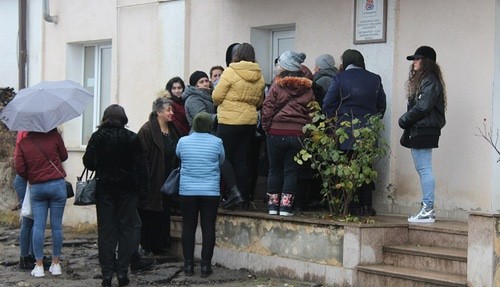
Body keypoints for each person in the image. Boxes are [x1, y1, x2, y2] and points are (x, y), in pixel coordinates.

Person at [83, 104, 147, 287]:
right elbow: (141, 167)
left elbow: (89, 163)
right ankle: (122, 273)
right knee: (126, 230)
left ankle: (106, 274)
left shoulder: (98, 137)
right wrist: (144, 192)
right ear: (123, 118)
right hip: (128, 191)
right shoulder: (132, 138)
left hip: (105, 190)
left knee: (106, 231)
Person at [323, 49, 387, 216]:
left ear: (346, 61)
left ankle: (349, 206)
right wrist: (372, 121)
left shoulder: (339, 77)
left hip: (345, 130)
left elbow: (328, 104)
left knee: (345, 168)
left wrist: (333, 124)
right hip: (368, 131)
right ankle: (366, 206)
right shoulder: (375, 78)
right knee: (365, 167)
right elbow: (381, 106)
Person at [261, 51, 315, 216]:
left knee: (274, 169)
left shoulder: (276, 86)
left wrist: (266, 127)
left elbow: (267, 107)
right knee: (291, 171)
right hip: (297, 134)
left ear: (286, 67)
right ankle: (286, 208)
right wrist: (304, 128)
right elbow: (312, 112)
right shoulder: (308, 89)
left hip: (276, 132)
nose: (277, 67)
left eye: (280, 64)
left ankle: (272, 206)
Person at [213, 43, 265, 207]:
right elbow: (259, 102)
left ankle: (234, 193)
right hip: (248, 122)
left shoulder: (230, 71)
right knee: (241, 160)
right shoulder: (259, 75)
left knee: (223, 157)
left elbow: (216, 97)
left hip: (228, 121)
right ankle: (243, 198)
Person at [399, 46, 446, 223]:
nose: (414, 62)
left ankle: (428, 209)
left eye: (418, 59)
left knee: (425, 169)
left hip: (425, 129)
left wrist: (404, 119)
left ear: (426, 61)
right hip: (421, 128)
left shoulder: (430, 81)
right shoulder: (426, 80)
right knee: (423, 169)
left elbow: (423, 106)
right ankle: (427, 208)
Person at [175, 112, 225, 278]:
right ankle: (205, 266)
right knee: (208, 227)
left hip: (187, 191)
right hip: (210, 191)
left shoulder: (183, 141)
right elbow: (221, 161)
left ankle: (188, 265)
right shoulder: (217, 142)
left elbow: (178, 156)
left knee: (188, 227)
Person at [15, 128, 68, 278]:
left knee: (38, 225)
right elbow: (64, 156)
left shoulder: (23, 143)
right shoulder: (54, 136)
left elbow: (20, 168)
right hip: (57, 185)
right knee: (56, 226)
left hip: (37, 187)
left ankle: (38, 266)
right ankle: (56, 264)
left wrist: (33, 175)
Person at [137, 97, 180, 256]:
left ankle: (160, 243)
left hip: (169, 177)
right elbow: (143, 157)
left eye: (172, 110)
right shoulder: (147, 130)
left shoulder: (172, 129)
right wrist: (146, 178)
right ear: (159, 112)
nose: (171, 113)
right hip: (153, 177)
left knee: (164, 211)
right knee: (150, 211)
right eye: (168, 110)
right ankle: (147, 244)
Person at [12, 131, 35, 270]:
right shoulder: (26, 134)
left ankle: (32, 255)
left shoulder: (24, 131)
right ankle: (25, 257)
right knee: (28, 220)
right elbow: (20, 162)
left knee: (32, 221)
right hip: (25, 179)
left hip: (27, 179)